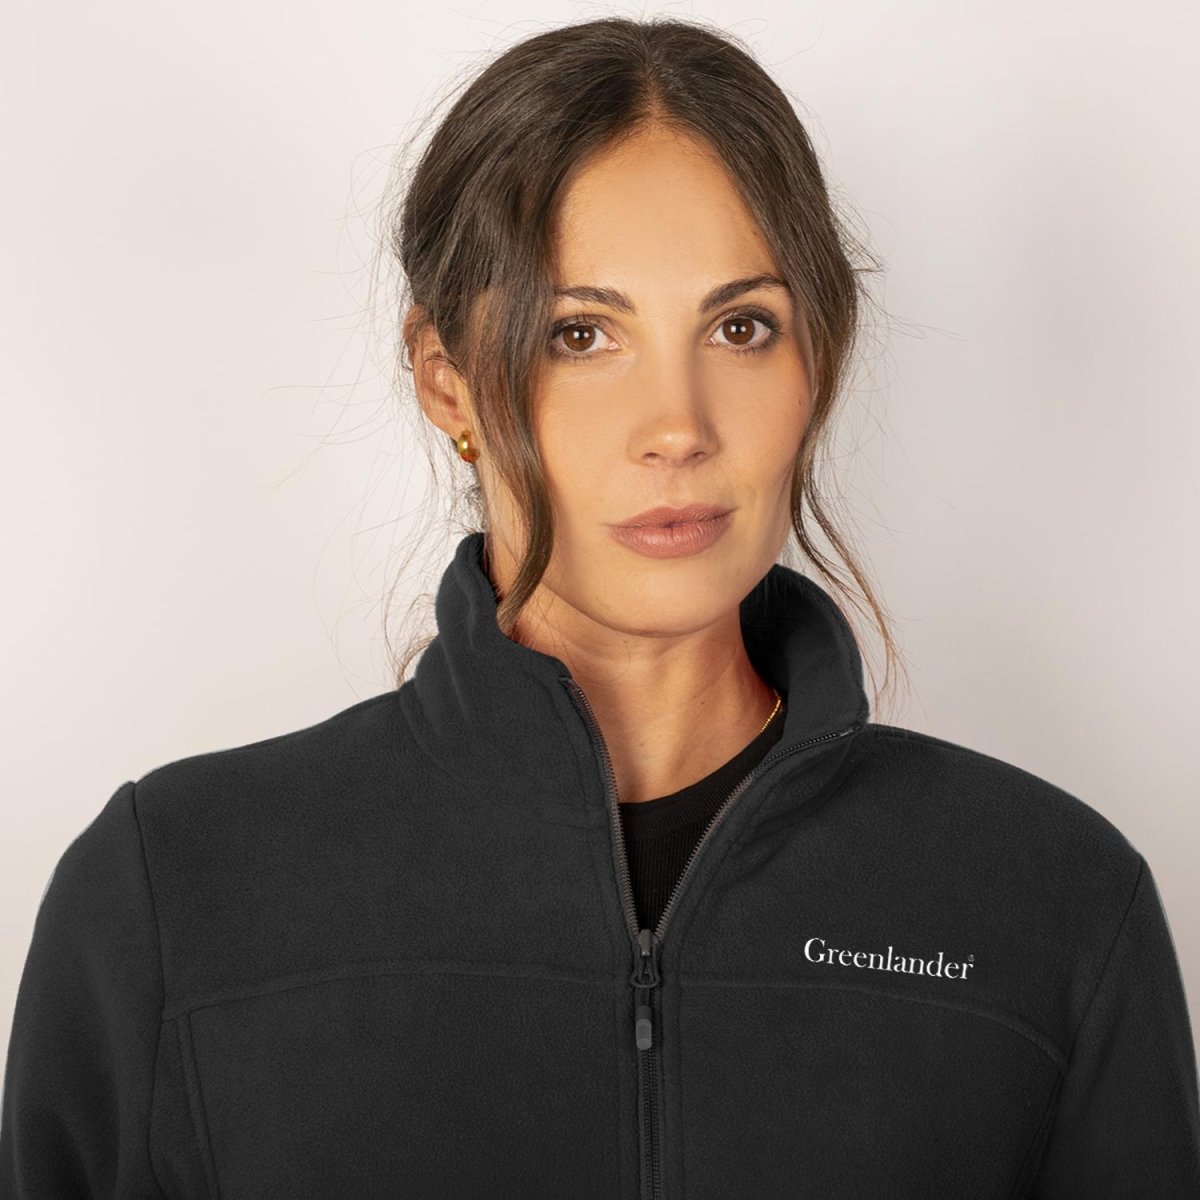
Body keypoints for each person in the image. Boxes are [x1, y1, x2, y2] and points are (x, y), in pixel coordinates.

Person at [2, 14, 1198, 1199]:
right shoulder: (175, 898)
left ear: (817, 363)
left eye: (741, 327)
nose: (677, 426)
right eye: (582, 334)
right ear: (446, 380)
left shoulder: (1054, 906)